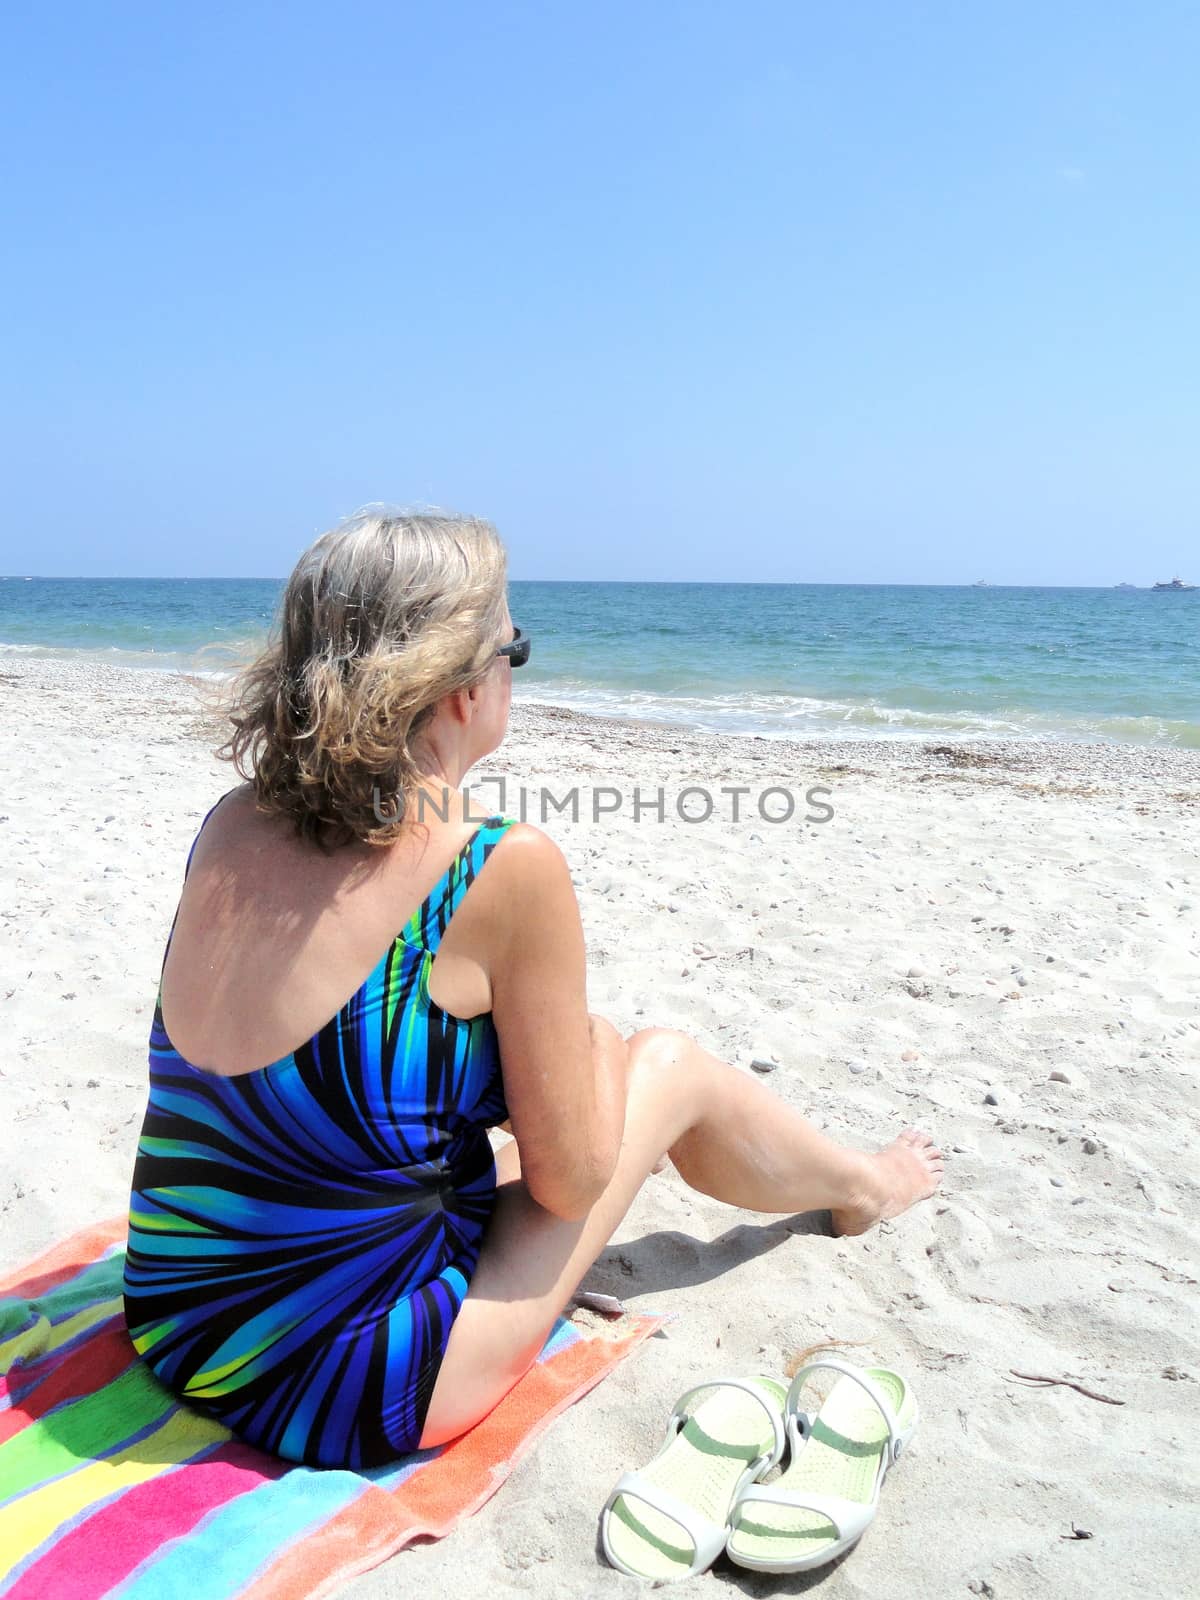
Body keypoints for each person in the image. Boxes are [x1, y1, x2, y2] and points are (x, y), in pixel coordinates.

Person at [123, 508, 942, 1470]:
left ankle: (850, 1178)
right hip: (329, 1384)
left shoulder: (229, 823)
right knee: (668, 1066)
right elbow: (571, 1182)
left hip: (176, 1311)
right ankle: (864, 1186)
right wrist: (595, 1048)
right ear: (460, 686)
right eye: (514, 646)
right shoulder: (497, 867)